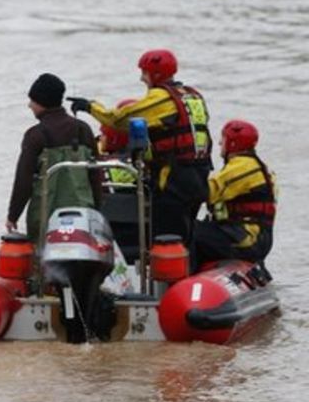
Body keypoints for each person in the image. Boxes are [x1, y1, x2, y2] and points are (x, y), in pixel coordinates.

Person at [70, 49, 212, 246]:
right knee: (185, 231)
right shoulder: (192, 96)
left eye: (144, 73)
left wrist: (90, 106)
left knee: (165, 235)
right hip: (199, 175)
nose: (141, 79)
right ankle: (187, 266)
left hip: (174, 178)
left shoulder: (162, 98)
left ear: (155, 74)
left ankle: (167, 274)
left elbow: (119, 119)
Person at [6, 73, 101, 242]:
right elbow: (96, 175)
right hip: (83, 214)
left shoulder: (35, 135)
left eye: (32, 101)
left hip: (45, 217)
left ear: (42, 102)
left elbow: (23, 181)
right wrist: (98, 210)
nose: (29, 105)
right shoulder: (83, 129)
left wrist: (13, 216)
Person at [192, 120, 276, 266]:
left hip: (246, 238)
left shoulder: (242, 167)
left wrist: (180, 186)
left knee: (187, 230)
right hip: (252, 236)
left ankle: (182, 279)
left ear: (232, 144)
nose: (219, 143)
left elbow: (207, 192)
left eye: (223, 139)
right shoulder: (255, 165)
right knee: (201, 229)